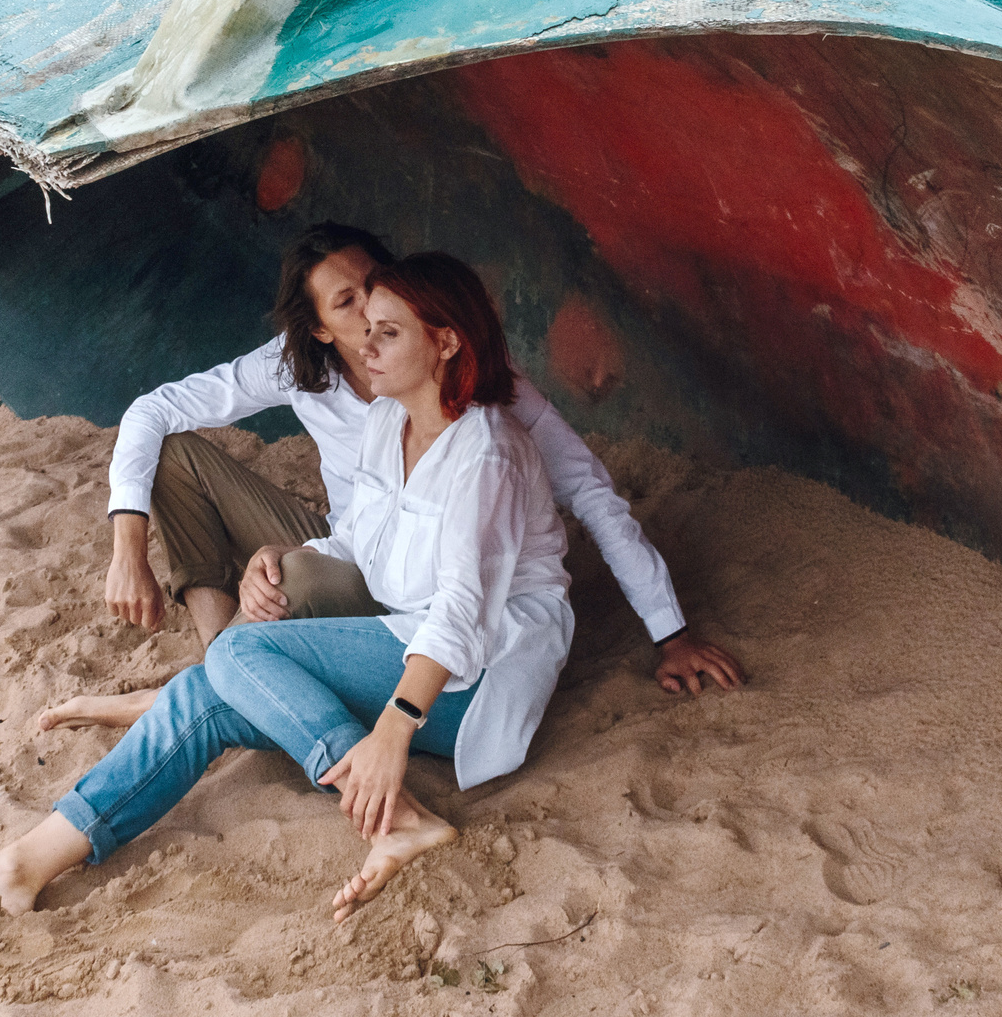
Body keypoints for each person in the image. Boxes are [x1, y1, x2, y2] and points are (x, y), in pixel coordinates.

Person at [0, 253, 572, 925]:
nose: (368, 343)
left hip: (474, 679)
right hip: (407, 641)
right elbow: (362, 539)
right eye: (365, 326)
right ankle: (21, 865)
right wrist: (279, 555)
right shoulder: (392, 419)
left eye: (389, 331)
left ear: (446, 341)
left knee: (234, 659)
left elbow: (459, 614)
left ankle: (400, 815)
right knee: (207, 691)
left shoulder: (488, 451)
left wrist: (392, 731)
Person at [40, 221, 739, 734]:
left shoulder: (469, 374)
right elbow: (151, 410)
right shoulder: (297, 367)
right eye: (346, 303)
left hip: (421, 590)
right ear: (316, 329)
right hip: (352, 545)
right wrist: (127, 550)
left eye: (374, 284)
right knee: (177, 457)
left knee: (299, 580)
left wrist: (669, 632)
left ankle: (215, 688)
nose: (371, 305)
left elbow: (587, 486)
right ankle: (221, 664)